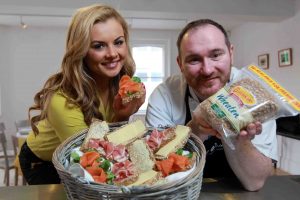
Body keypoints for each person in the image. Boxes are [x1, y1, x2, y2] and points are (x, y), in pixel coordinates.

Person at [19, 4, 145, 185]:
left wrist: (123, 116)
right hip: (43, 162)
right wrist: (122, 116)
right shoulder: (62, 100)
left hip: (86, 152)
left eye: (118, 42)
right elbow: (92, 158)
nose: (112, 54)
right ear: (81, 50)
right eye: (99, 46)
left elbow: (109, 144)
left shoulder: (121, 83)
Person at [145, 19, 277, 191]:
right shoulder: (165, 95)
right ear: (180, 64)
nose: (207, 70)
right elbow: (156, 172)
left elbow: (255, 182)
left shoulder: (255, 96)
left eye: (216, 55)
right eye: (194, 59)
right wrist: (195, 130)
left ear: (231, 53)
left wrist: (238, 138)